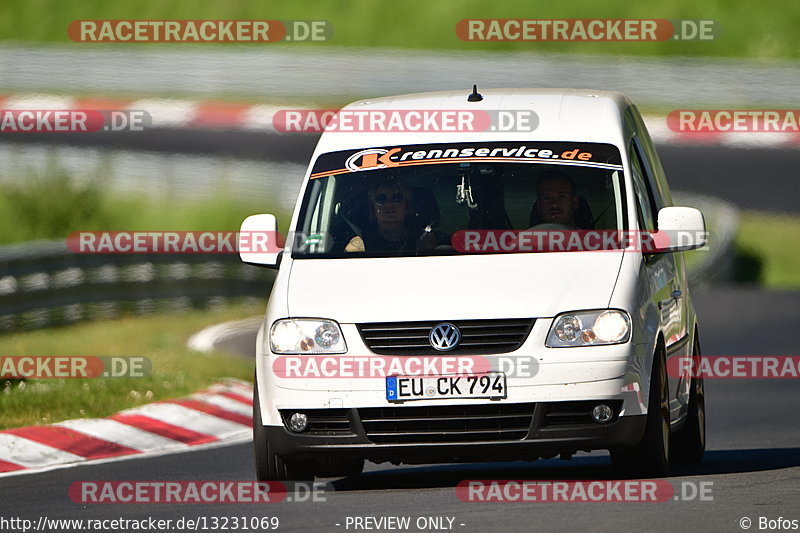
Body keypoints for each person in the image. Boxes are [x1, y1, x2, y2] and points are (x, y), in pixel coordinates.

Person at [345, 179, 437, 252]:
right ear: (373, 209)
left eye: (397, 198)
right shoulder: (361, 243)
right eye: (381, 199)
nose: (389, 205)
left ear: (408, 206)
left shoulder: (424, 241)